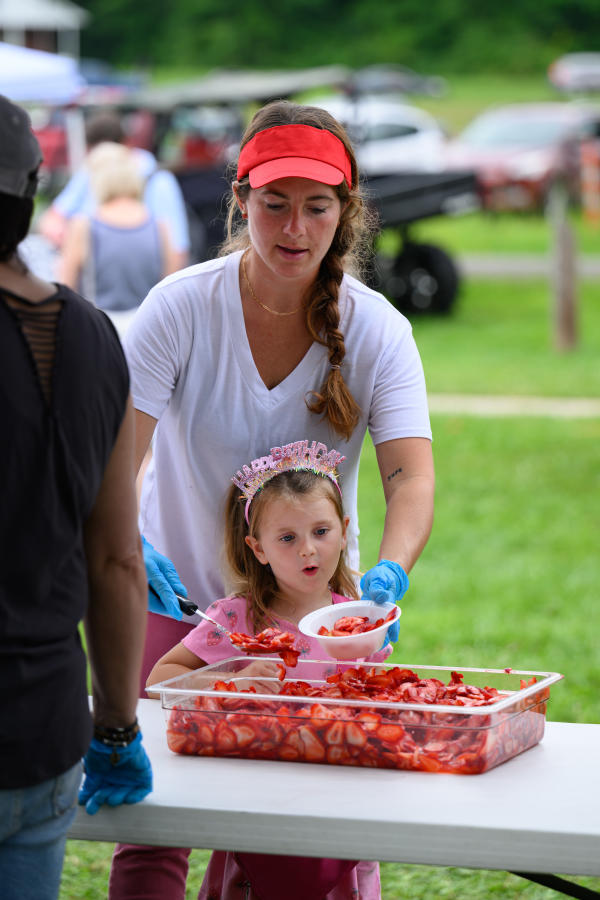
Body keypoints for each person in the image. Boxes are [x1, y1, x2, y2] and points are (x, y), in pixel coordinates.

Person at [110, 99, 434, 899]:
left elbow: (409, 475)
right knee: (156, 821)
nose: (294, 226)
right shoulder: (181, 307)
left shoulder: (379, 330)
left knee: (298, 820)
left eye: (317, 205)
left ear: (345, 214)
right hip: (176, 599)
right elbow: (119, 458)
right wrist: (127, 544)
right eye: (274, 203)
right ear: (241, 201)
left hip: (311, 615)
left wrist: (387, 574)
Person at [0, 95, 153, 900]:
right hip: (42, 732)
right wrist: (118, 725)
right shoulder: (91, 337)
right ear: (33, 188)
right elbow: (118, 560)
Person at [146, 441, 387, 899]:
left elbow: (378, 708)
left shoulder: (359, 623)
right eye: (287, 538)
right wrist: (228, 682)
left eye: (321, 531)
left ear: (344, 530)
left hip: (342, 810)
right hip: (252, 811)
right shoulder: (235, 620)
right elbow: (160, 679)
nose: (308, 551)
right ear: (257, 548)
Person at [38, 109, 191, 271]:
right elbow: (53, 218)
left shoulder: (157, 180)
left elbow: (177, 249)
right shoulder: (89, 171)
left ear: (126, 145)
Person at [57, 141, 180, 311]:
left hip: (99, 327)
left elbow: (65, 290)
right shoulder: (160, 227)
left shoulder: (83, 226)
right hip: (145, 326)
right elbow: (171, 288)